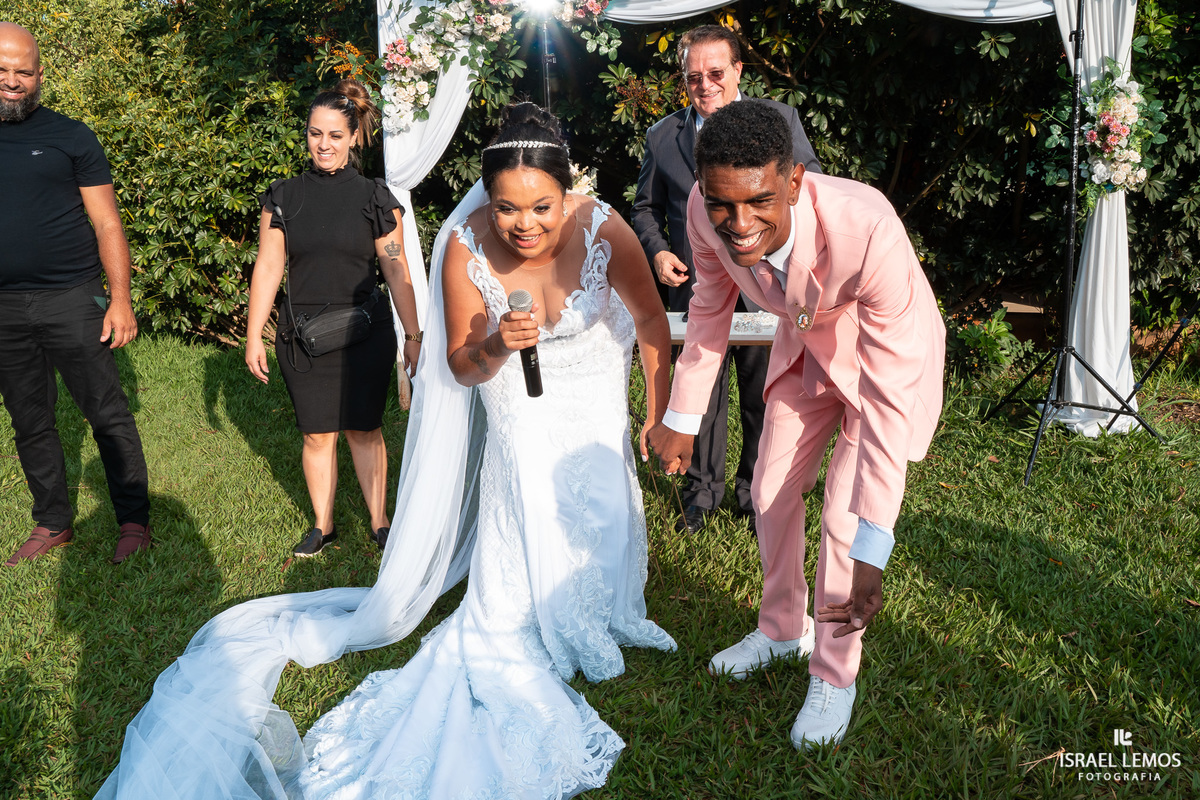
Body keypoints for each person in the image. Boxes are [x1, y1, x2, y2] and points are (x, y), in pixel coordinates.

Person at [96, 103, 676, 799]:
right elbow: (460, 365)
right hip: (517, 409)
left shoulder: (606, 228)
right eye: (506, 208)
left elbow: (650, 321)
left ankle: (606, 605)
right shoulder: (465, 246)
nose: (524, 224)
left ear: (567, 193)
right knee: (523, 522)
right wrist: (497, 343)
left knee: (602, 507)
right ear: (486, 200)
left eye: (541, 208)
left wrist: (661, 413)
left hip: (592, 397)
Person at [648, 101, 945, 750]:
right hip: (806, 348)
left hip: (883, 364)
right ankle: (783, 628)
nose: (739, 225)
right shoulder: (703, 208)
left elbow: (887, 401)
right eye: (723, 205)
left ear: (794, 182)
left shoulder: (867, 228)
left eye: (759, 201)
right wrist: (681, 417)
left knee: (843, 519)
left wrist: (873, 547)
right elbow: (709, 308)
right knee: (767, 490)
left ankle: (835, 671)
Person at [631, 24, 822, 535]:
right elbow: (644, 208)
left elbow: (811, 187)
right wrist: (659, 251)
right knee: (703, 390)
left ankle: (756, 491)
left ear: (738, 70)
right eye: (693, 76)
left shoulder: (778, 120)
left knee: (765, 392)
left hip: (769, 287)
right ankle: (700, 493)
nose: (705, 85)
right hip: (698, 284)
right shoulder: (662, 137)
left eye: (715, 73)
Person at [245, 79, 422, 556]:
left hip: (365, 332)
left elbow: (396, 267)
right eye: (315, 133)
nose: (324, 144)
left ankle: (380, 522)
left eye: (335, 135)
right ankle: (323, 526)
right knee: (317, 433)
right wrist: (254, 335)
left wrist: (413, 334)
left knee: (365, 428)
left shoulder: (375, 197)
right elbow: (269, 266)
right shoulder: (283, 196)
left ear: (354, 138)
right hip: (302, 338)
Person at [0, 22, 152, 567]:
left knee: (106, 412)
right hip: (4, 308)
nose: (12, 81)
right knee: (29, 418)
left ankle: (133, 520)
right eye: (3, 70)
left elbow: (107, 223)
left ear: (40, 75)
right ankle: (53, 521)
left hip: (73, 296)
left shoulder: (72, 136)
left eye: (23, 71)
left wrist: (120, 299)